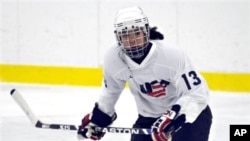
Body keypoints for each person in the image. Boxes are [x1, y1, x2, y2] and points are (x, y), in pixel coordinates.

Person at [77, 6, 212, 141]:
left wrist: (173, 119)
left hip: (189, 115)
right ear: (118, 38)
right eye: (125, 35)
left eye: (136, 33)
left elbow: (197, 94)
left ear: (145, 32)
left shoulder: (172, 56)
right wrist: (99, 119)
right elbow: (110, 92)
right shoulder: (114, 59)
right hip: (149, 118)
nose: (132, 41)